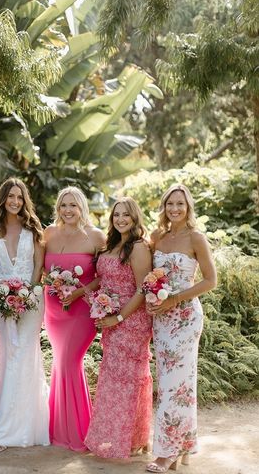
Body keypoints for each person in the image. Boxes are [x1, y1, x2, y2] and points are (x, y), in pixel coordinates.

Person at [146, 184, 217, 473]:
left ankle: (168, 453)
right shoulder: (156, 237)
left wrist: (175, 298)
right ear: (164, 207)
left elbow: (210, 281)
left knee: (178, 384)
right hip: (161, 320)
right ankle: (184, 445)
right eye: (170, 204)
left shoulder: (196, 238)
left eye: (181, 204)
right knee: (171, 385)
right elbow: (150, 277)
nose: (175, 208)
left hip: (186, 318)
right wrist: (152, 299)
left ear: (188, 207)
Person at [0, 177, 49, 451]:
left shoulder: (34, 229)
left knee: (25, 356)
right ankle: (3, 424)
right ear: (2, 199)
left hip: (30, 300)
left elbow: (38, 267)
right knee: (7, 356)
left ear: (24, 200)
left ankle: (15, 430)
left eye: (19, 197)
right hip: (0, 301)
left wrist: (28, 294)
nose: (15, 201)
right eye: (10, 196)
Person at [83, 197, 153, 459]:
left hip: (131, 320)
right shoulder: (111, 245)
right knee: (112, 380)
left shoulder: (138, 247)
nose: (121, 219)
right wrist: (86, 294)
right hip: (110, 317)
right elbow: (103, 278)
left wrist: (119, 318)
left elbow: (142, 288)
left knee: (130, 380)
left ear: (135, 218)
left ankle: (132, 438)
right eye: (116, 215)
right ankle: (116, 437)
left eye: (126, 215)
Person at [44, 186, 106, 452]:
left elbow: (104, 276)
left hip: (81, 310)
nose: (68, 210)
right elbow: (39, 270)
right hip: (54, 310)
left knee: (70, 361)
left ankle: (79, 431)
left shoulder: (96, 236)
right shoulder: (48, 233)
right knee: (59, 362)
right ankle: (56, 428)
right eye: (63, 205)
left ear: (82, 208)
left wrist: (79, 291)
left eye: (73, 205)